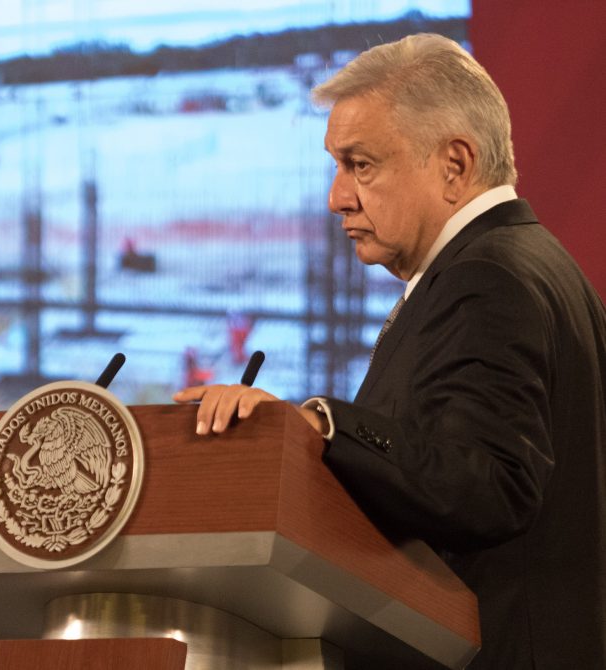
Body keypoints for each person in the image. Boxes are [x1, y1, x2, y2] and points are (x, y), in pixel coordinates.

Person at [174, 34, 606, 669]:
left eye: (361, 165)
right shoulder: (534, 264)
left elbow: (488, 487)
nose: (337, 197)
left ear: (454, 166)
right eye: (336, 165)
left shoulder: (489, 279)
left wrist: (322, 424)